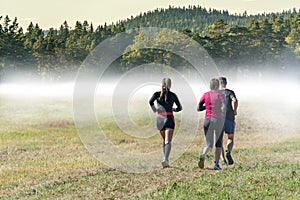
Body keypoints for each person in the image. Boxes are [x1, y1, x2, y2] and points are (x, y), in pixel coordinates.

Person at [149, 78, 182, 168]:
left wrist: (155, 110)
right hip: (169, 118)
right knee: (168, 140)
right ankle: (165, 159)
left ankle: (165, 158)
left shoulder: (157, 94)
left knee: (164, 140)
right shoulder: (173, 95)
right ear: (170, 85)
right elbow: (180, 108)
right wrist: (173, 109)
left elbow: (150, 101)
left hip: (159, 119)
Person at [197, 78, 225, 170]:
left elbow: (199, 108)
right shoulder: (220, 95)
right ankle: (216, 164)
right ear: (217, 85)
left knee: (209, 144)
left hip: (207, 120)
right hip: (218, 120)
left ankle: (203, 154)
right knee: (218, 144)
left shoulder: (205, 95)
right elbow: (224, 107)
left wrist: (207, 107)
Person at [219, 77, 238, 165]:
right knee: (230, 137)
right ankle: (228, 152)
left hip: (218, 118)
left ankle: (223, 160)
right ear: (226, 83)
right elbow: (235, 100)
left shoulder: (215, 93)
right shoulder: (229, 92)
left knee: (219, 140)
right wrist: (234, 110)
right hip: (229, 117)